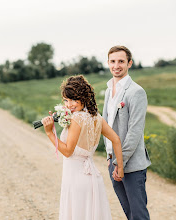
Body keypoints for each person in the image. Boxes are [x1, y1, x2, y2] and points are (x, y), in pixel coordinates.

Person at [42, 75, 124, 220]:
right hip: (92, 180)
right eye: (66, 100)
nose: (69, 105)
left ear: (83, 97)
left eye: (74, 99)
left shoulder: (77, 118)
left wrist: (49, 133)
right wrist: (120, 168)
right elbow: (116, 140)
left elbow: (67, 152)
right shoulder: (97, 117)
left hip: (76, 181)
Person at [103, 45, 151, 220]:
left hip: (131, 164)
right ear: (108, 63)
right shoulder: (109, 90)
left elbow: (134, 132)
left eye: (121, 61)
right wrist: (109, 157)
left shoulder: (136, 92)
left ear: (129, 63)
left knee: (139, 215)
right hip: (113, 161)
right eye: (113, 61)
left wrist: (119, 161)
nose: (117, 65)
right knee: (129, 213)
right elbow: (105, 124)